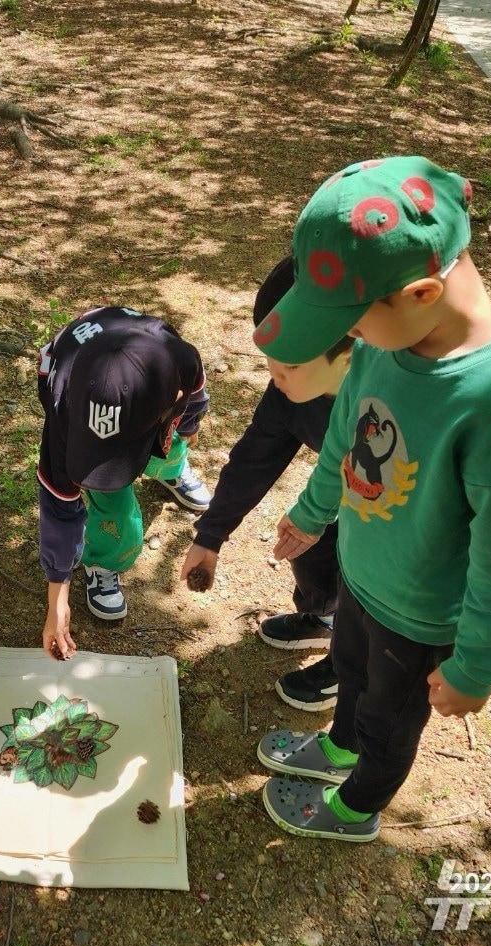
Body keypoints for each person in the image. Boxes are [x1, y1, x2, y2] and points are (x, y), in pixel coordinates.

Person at [254, 157, 491, 841]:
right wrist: (312, 513)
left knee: (389, 718)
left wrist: (478, 666)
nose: (349, 339)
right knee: (350, 670)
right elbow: (343, 435)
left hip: (421, 614)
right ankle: (338, 746)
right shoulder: (389, 341)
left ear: (421, 292)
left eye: (352, 324)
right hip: (363, 573)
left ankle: (360, 802)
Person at [178, 256, 349, 712]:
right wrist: (210, 535)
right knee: (308, 537)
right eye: (271, 362)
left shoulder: (385, 407)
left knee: (362, 568)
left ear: (347, 354)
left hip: (392, 508)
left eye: (289, 366)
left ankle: (349, 664)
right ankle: (322, 616)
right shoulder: (292, 389)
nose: (275, 378)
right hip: (340, 491)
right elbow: (256, 456)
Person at [37, 306, 212, 659]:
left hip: (157, 406)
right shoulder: (62, 408)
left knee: (173, 444)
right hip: (80, 395)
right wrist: (57, 600)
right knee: (114, 501)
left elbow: (195, 397)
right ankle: (104, 559)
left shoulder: (179, 359)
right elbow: (60, 509)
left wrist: (188, 425)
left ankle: (170, 468)